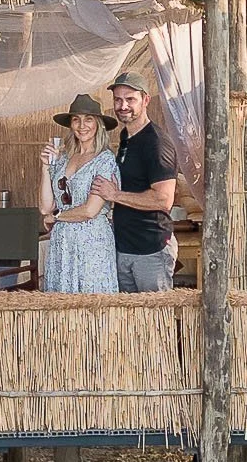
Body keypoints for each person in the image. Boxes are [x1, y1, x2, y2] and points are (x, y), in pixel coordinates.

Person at [93, 70, 177, 292]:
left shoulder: (156, 143)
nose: (123, 106)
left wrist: (115, 195)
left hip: (150, 249)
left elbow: (163, 199)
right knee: (129, 322)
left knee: (156, 319)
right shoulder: (125, 138)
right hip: (124, 248)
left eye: (130, 99)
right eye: (118, 100)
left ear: (146, 100)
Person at [38, 93, 120, 294]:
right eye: (76, 119)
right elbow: (45, 207)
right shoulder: (65, 159)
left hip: (92, 243)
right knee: (62, 308)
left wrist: (57, 217)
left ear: (98, 124)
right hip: (63, 244)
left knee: (92, 303)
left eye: (88, 119)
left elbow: (90, 210)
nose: (82, 125)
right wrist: (45, 168)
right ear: (70, 125)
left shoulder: (104, 161)